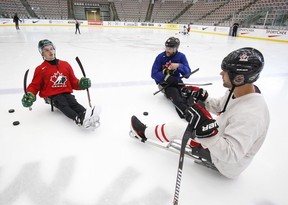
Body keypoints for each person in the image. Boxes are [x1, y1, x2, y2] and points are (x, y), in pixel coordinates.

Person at [131, 47, 270, 179]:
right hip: (223, 137)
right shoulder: (241, 90)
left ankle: (143, 132)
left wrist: (207, 132)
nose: (221, 74)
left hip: (227, 164)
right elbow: (222, 107)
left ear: (238, 78)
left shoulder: (251, 115)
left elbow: (231, 155)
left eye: (225, 71)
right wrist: (204, 97)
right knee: (198, 118)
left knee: (177, 128)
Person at [22, 39, 99, 129]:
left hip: (65, 92)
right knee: (62, 102)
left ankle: (86, 114)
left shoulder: (65, 65)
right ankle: (78, 118)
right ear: (42, 54)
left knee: (73, 102)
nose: (50, 52)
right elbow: (34, 86)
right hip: (51, 96)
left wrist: (81, 84)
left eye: (51, 49)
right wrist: (30, 94)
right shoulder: (40, 69)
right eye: (46, 50)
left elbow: (73, 81)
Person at [151, 37, 192, 119]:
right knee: (174, 93)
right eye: (166, 47)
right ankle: (187, 114)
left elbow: (187, 74)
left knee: (187, 93)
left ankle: (195, 110)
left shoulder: (181, 57)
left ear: (176, 48)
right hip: (165, 83)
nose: (167, 50)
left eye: (170, 48)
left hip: (177, 81)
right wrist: (166, 78)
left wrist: (179, 66)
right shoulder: (160, 57)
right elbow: (153, 73)